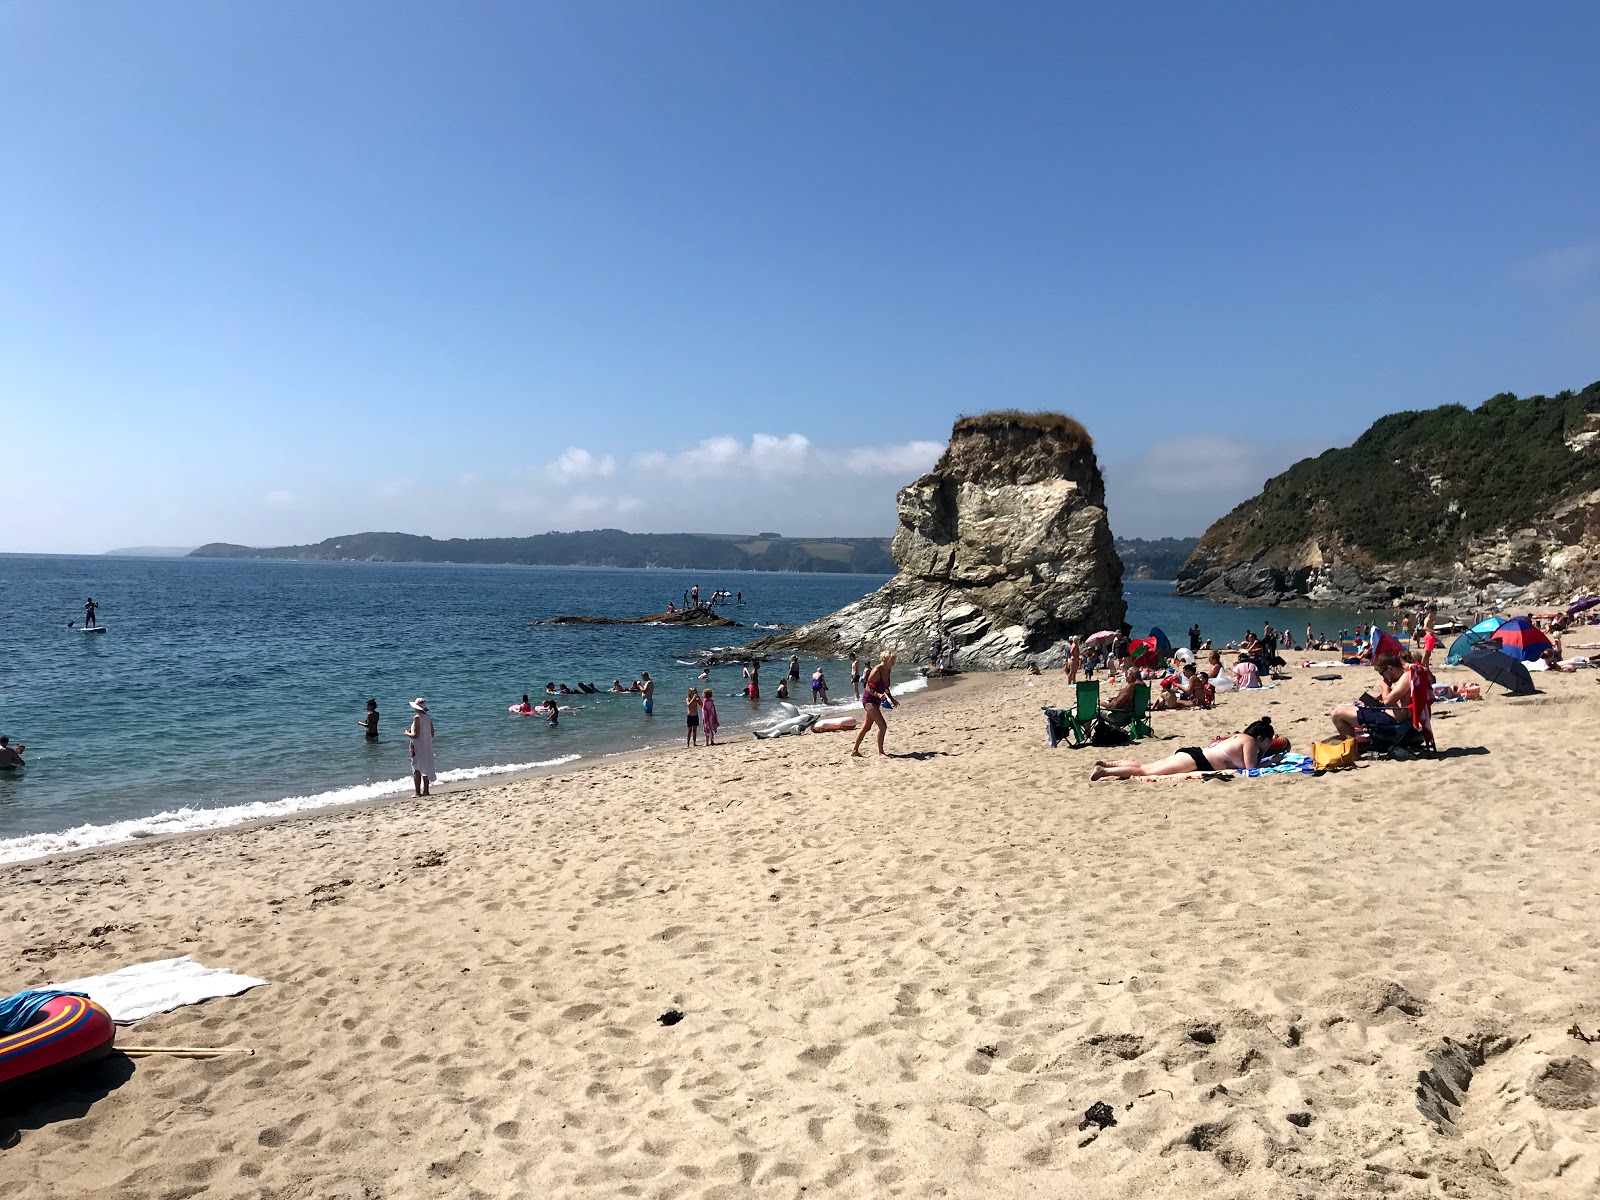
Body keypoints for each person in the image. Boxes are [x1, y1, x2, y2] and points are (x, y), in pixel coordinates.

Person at [1091, 718, 1286, 780]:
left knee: (1146, 766)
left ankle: (1110, 764)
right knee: (1144, 771)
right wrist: (1271, 761)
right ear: (1260, 737)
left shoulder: (1239, 737)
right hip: (1196, 761)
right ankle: (1105, 771)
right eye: (1268, 742)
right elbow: (1251, 769)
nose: (1268, 745)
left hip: (1194, 754)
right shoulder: (1250, 742)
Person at [1331, 653, 1413, 740]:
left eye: (1382, 674)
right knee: (1341, 708)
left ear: (1390, 668)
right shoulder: (1404, 677)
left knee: (1337, 714)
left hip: (1391, 722)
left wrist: (1385, 688)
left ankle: (1353, 749)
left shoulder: (1406, 677)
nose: (1384, 677)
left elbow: (1389, 702)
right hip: (1387, 714)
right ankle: (1353, 745)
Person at [852, 653, 897, 757]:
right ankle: (881, 753)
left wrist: (891, 699)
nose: (893, 664)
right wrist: (878, 694)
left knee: (866, 727)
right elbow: (867, 687)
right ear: (885, 660)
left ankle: (855, 751)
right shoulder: (876, 671)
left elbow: (885, 687)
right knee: (883, 726)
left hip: (877, 701)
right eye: (892, 661)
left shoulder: (888, 669)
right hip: (869, 700)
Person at [405, 699, 436, 797]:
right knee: (426, 766)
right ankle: (426, 790)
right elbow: (432, 733)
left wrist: (407, 733)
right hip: (427, 745)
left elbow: (415, 735)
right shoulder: (427, 717)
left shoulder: (417, 717)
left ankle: (417, 792)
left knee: (416, 767)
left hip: (418, 745)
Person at [1420, 605, 1438, 670]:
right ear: (1430, 611)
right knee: (1425, 654)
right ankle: (1420, 667)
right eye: (1434, 613)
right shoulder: (1428, 619)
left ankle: (1426, 668)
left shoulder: (1430, 619)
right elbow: (1424, 628)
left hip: (1430, 637)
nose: (1435, 614)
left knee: (1428, 655)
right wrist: (1434, 631)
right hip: (1429, 637)